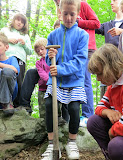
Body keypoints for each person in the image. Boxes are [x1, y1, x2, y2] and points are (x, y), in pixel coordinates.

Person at [44, 0, 89, 159]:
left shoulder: (82, 35)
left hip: (74, 80)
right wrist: (50, 59)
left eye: (72, 14)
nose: (69, 18)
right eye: (65, 14)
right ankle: (51, 144)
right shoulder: (52, 35)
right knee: (49, 105)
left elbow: (80, 61)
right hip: (56, 81)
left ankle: (72, 141)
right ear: (60, 13)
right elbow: (47, 61)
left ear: (77, 15)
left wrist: (61, 69)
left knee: (74, 109)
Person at [54, 0, 101, 127]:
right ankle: (72, 116)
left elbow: (97, 23)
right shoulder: (62, 10)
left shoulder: (82, 4)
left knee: (84, 78)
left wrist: (78, 21)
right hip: (70, 47)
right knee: (70, 78)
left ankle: (87, 115)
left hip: (87, 47)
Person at [18, 20, 61, 115]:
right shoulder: (38, 63)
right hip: (44, 88)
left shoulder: (54, 59)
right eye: (38, 51)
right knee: (44, 110)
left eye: (42, 49)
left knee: (56, 109)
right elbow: (42, 74)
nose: (40, 52)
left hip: (56, 87)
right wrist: (50, 81)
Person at [95, 0, 123, 99]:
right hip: (107, 70)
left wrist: (122, 32)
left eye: (114, 0)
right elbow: (92, 24)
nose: (111, 3)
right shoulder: (106, 25)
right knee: (106, 98)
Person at [0, 13, 33, 108]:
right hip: (5, 58)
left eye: (22, 22)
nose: (19, 23)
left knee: (18, 82)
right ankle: (4, 102)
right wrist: (8, 40)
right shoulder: (5, 30)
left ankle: (17, 105)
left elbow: (30, 51)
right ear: (13, 20)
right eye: (18, 20)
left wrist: (24, 44)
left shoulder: (25, 35)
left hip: (19, 60)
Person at [0, 32, 20, 116]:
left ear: (6, 47)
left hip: (10, 92)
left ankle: (6, 103)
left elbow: (15, 70)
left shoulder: (12, 59)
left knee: (7, 71)